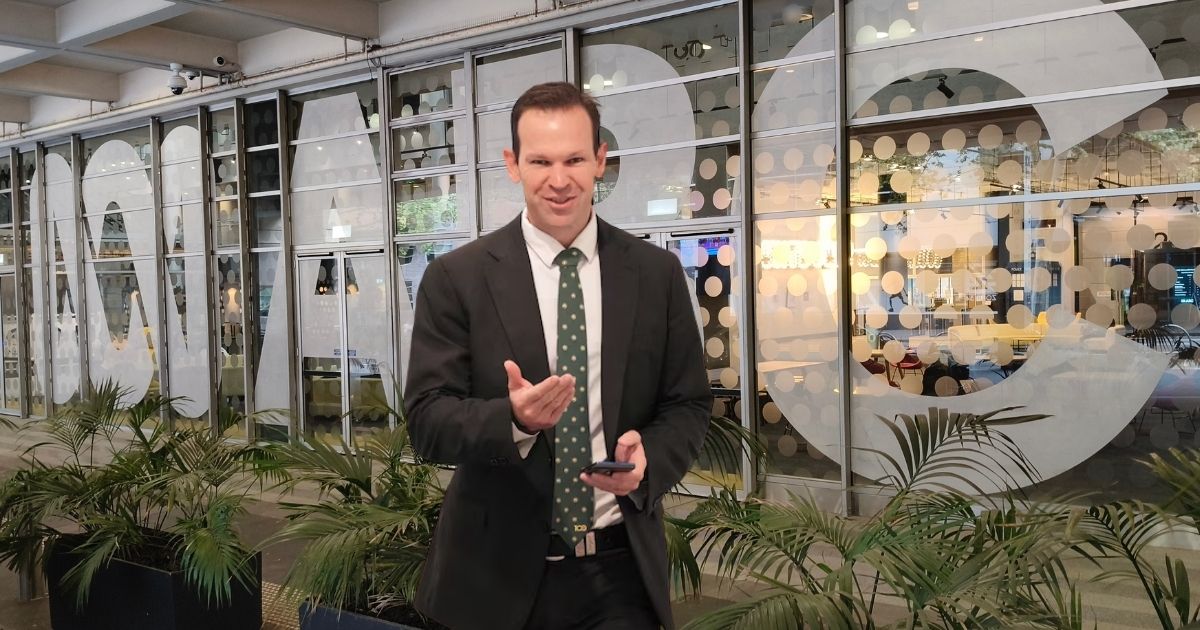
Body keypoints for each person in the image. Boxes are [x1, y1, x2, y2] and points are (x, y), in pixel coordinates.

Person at [404, 81, 712, 630]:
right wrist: (514, 420)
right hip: (491, 578)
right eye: (540, 160)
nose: (559, 179)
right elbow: (427, 420)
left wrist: (648, 464)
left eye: (574, 158)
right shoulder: (457, 278)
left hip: (618, 573)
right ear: (513, 164)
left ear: (600, 160)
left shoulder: (655, 274)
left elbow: (687, 404)